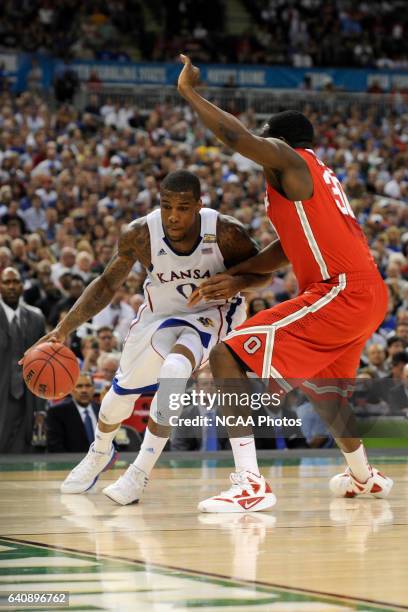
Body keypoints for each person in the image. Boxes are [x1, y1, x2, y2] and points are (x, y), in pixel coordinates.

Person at [177, 54, 393, 511]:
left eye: (265, 148)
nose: (260, 158)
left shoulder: (291, 163)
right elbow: (285, 249)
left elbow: (236, 137)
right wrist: (239, 277)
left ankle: (250, 483)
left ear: (278, 145)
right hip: (366, 293)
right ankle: (363, 477)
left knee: (226, 354)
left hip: (341, 290)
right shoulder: (317, 182)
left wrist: (190, 94)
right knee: (326, 391)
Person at [22, 170, 270, 504]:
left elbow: (264, 272)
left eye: (183, 207)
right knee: (116, 401)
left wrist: (237, 284)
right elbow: (108, 284)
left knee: (174, 372)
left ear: (199, 205)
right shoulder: (141, 234)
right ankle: (100, 451)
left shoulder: (225, 232)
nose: (173, 215)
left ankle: (138, 474)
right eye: (166, 205)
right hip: (158, 317)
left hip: (211, 314)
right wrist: (64, 328)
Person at [0, 267, 46, 452]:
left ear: (22, 286)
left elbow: (43, 364)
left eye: (15, 282)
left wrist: (41, 408)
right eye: (6, 282)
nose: (11, 286)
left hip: (27, 397)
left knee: (23, 452)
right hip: (2, 394)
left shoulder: (36, 318)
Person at [46, 373, 99, 453]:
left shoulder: (102, 409)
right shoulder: (57, 412)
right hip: (72, 464)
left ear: (94, 388)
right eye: (79, 386)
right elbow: (55, 447)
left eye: (88, 386)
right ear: (71, 390)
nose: (84, 390)